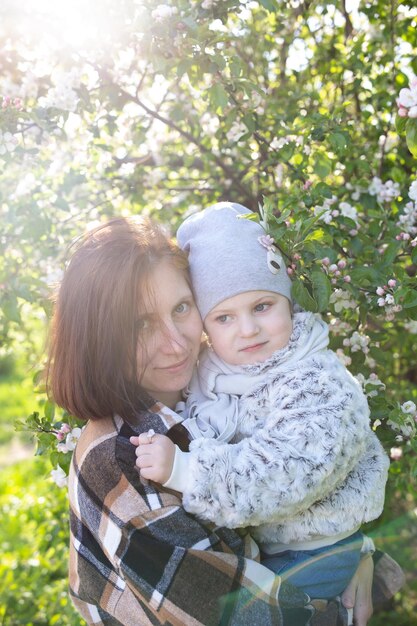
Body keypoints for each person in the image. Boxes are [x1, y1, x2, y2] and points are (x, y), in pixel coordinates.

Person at [47, 216, 377, 626]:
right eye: (140, 325)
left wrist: (348, 544)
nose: (176, 343)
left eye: (181, 308)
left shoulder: (213, 387)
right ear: (100, 339)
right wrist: (347, 594)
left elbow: (301, 466)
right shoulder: (122, 460)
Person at [133, 203, 390, 605]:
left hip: (318, 549)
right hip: (276, 546)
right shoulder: (214, 370)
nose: (248, 329)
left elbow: (283, 473)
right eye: (224, 318)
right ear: (205, 325)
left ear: (288, 301)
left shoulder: (316, 381)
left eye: (262, 307)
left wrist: (186, 471)